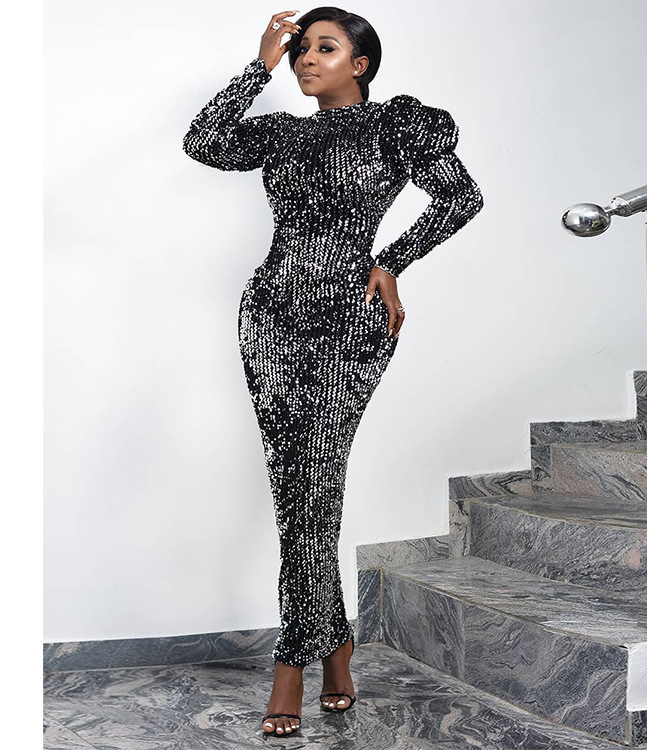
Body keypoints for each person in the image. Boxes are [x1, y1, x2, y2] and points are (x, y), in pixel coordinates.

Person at [182, 6, 484, 737]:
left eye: (324, 48)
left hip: (350, 319)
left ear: (361, 64)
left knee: (314, 483)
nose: (306, 60)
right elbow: (203, 141)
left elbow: (462, 198)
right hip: (271, 315)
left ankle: (293, 660)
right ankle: (335, 646)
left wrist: (392, 261)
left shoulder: (395, 128)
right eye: (299, 51)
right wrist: (259, 64)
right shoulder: (282, 132)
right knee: (298, 489)